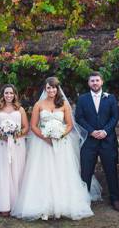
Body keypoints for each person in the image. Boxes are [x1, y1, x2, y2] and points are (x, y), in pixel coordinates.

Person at [12, 76, 94, 220]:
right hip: (42, 144)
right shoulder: (39, 104)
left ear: (57, 89)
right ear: (45, 89)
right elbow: (33, 125)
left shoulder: (63, 104)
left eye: (54, 87)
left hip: (61, 143)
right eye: (48, 87)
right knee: (43, 172)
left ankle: (62, 205)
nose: (51, 90)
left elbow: (69, 125)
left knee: (61, 172)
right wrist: (46, 138)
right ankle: (43, 205)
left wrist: (60, 135)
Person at [74, 71, 119, 212]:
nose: (95, 83)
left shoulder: (111, 98)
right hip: (89, 141)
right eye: (92, 81)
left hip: (108, 140)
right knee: (86, 171)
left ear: (102, 82)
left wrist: (105, 131)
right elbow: (79, 118)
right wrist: (91, 131)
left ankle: (115, 199)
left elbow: (115, 117)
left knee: (111, 171)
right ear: (89, 83)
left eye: (97, 80)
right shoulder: (83, 99)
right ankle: (84, 199)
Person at [0, 84, 28, 216]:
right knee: (4, 173)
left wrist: (15, 135)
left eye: (11, 93)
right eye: (6, 93)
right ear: (3, 95)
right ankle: (4, 205)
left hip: (18, 144)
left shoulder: (20, 109)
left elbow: (26, 127)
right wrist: (4, 136)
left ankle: (17, 204)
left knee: (17, 171)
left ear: (15, 95)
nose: (8, 95)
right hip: (2, 145)